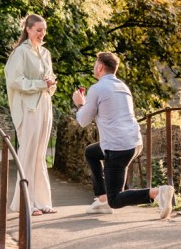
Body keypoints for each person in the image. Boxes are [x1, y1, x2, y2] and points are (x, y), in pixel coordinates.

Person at [72, 51, 174, 218]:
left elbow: (83, 120)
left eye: (95, 65)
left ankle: (156, 193)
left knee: (116, 199)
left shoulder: (97, 89)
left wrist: (80, 104)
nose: (94, 67)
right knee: (91, 152)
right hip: (134, 143)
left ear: (100, 67)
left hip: (117, 147)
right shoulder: (122, 86)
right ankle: (102, 198)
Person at [5, 14, 57, 215]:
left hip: (44, 105)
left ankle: (43, 201)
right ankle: (26, 202)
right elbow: (15, 81)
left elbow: (49, 77)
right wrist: (40, 84)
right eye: (38, 30)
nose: (42, 34)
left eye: (44, 30)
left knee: (40, 154)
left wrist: (49, 83)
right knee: (28, 152)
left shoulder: (45, 53)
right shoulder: (20, 53)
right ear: (28, 29)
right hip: (28, 107)